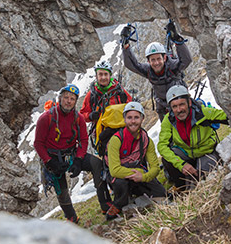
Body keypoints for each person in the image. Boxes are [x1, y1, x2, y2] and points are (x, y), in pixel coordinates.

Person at [34, 84, 113, 223]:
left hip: (71, 153)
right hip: (53, 157)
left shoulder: (78, 118)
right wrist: (49, 161)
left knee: (97, 164)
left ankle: (105, 203)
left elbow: (83, 140)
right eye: (66, 97)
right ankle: (71, 216)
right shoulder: (46, 118)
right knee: (61, 188)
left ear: (75, 101)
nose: (68, 101)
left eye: (72, 99)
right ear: (60, 98)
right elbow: (38, 144)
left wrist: (78, 160)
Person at [157, 85, 229, 190]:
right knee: (168, 161)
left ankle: (193, 185)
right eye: (174, 106)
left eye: (181, 104)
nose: (179, 110)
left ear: (189, 102)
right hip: (186, 155)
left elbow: (227, 116)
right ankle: (182, 187)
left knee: (202, 177)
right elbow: (162, 146)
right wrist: (181, 165)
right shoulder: (168, 120)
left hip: (206, 153)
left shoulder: (203, 112)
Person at [106, 102, 166, 221]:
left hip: (138, 175)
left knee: (160, 192)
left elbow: (155, 168)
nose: (133, 121)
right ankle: (118, 204)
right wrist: (138, 173)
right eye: (129, 118)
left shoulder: (146, 140)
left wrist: (143, 177)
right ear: (124, 119)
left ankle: (134, 193)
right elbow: (114, 170)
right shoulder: (116, 140)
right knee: (120, 183)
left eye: (136, 117)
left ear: (142, 118)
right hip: (121, 176)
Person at [121, 21, 193, 121]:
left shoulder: (172, 66)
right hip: (163, 109)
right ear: (148, 61)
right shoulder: (148, 70)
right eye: (152, 60)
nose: (156, 63)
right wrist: (125, 46)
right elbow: (132, 65)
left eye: (158, 59)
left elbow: (186, 60)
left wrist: (177, 39)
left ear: (164, 58)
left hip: (180, 104)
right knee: (168, 134)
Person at [80, 60, 132, 125]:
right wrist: (90, 116)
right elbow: (82, 115)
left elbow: (132, 107)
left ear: (110, 75)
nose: (103, 77)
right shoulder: (92, 94)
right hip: (100, 128)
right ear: (96, 76)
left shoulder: (119, 90)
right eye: (100, 74)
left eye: (106, 74)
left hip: (119, 127)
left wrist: (125, 103)